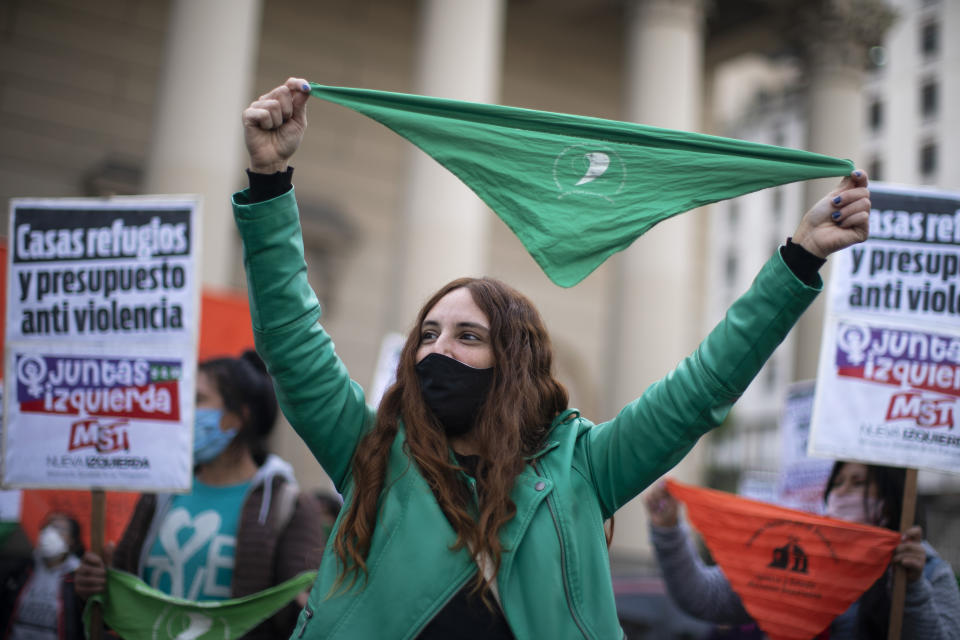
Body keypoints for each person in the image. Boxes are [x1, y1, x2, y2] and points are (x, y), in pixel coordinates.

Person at [233, 77, 871, 640]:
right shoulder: (371, 450)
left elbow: (702, 386)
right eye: (427, 335)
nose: (436, 350)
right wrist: (268, 183)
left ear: (513, 364)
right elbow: (293, 341)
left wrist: (799, 257)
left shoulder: (586, 467)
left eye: (467, 336)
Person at [75, 351, 324, 639]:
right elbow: (122, 592)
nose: (183, 411)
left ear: (236, 418)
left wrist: (310, 605)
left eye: (197, 400)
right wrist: (97, 585)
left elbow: (300, 614)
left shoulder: (288, 505)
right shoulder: (160, 493)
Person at [644, 462, 960, 639]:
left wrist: (912, 587)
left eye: (858, 483)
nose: (842, 492)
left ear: (891, 499)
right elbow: (702, 597)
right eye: (837, 483)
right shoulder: (806, 558)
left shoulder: (929, 573)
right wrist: (668, 531)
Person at [1, 513, 85, 640]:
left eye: (59, 529)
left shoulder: (79, 577)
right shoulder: (21, 570)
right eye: (47, 527)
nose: (50, 533)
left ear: (72, 541)